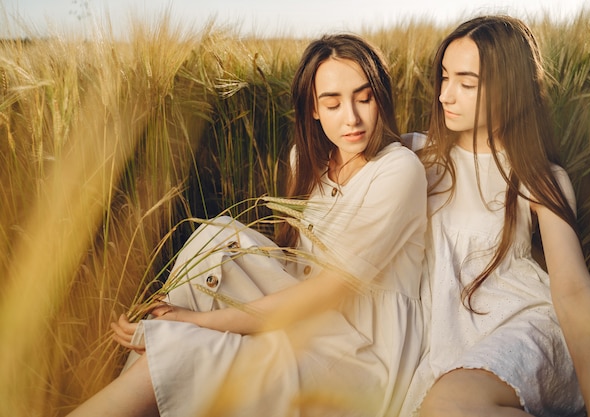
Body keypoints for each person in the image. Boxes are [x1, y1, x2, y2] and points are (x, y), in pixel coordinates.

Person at [67, 33, 428, 417]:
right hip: (312, 317)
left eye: (364, 97)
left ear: (381, 98)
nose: (352, 118)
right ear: (314, 110)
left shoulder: (398, 170)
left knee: (182, 347)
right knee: (214, 240)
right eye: (333, 103)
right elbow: (295, 261)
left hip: (363, 354)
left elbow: (328, 292)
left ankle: (162, 345)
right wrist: (188, 318)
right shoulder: (305, 162)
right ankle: (161, 336)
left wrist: (200, 322)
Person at [402, 15, 590, 417]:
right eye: (444, 78)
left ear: (511, 89)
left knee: (451, 403)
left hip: (521, 325)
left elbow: (572, 289)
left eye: (466, 83)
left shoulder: (537, 176)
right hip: (446, 333)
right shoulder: (417, 158)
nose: (446, 95)